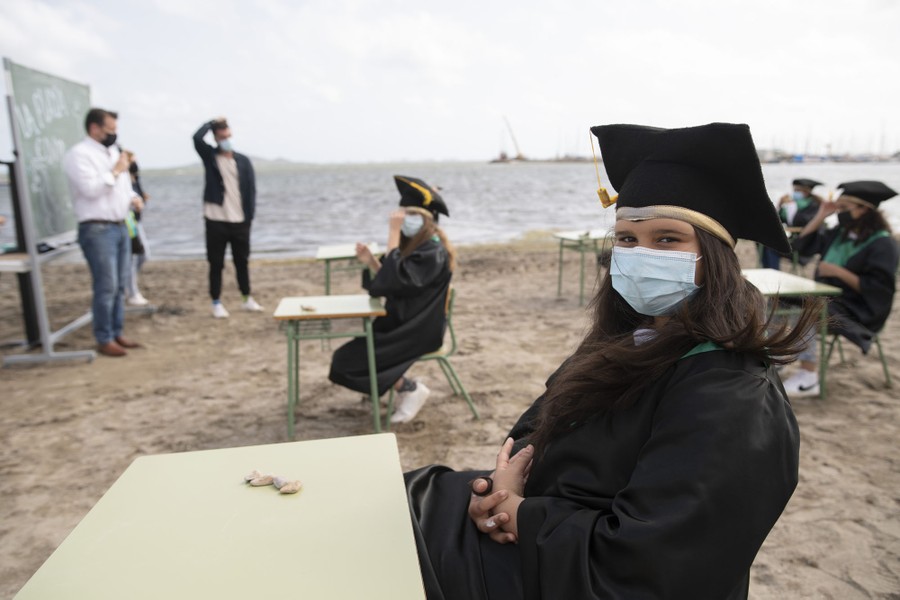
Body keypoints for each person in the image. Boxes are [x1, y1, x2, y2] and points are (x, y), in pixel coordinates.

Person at [404, 123, 823, 599]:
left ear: (714, 258)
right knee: (413, 497)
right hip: (536, 525)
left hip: (575, 574)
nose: (640, 253)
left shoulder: (732, 392)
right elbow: (540, 423)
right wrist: (497, 492)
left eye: (668, 239)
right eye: (625, 238)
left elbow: (653, 559)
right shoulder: (631, 337)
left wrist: (519, 516)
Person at [329, 175, 455, 424]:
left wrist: (393, 232)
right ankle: (402, 386)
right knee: (346, 359)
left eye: (410, 214)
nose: (404, 219)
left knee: (346, 362)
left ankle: (409, 389)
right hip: (403, 322)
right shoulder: (420, 247)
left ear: (425, 219)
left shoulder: (433, 250)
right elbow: (397, 282)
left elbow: (397, 280)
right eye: (403, 214)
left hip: (417, 329)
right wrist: (372, 263)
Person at [781, 180, 898, 396]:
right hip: (831, 299)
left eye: (844, 209)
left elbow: (879, 290)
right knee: (779, 300)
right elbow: (800, 246)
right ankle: (776, 359)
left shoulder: (883, 244)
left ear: (865, 210)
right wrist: (821, 215)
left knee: (808, 310)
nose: (839, 213)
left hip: (860, 309)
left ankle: (808, 377)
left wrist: (838, 272)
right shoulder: (839, 233)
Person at [63, 108, 143, 357]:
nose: (114, 135)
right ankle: (104, 337)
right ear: (95, 128)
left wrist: (134, 197)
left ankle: (117, 331)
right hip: (97, 229)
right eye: (110, 130)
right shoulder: (79, 155)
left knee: (120, 284)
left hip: (120, 226)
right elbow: (91, 190)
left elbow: (122, 188)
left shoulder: (112, 152)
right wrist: (117, 169)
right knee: (106, 285)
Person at [192, 117, 261, 318]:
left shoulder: (243, 160)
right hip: (216, 220)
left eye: (227, 135)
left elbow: (251, 190)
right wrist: (210, 123)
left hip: (240, 221)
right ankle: (216, 302)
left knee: (242, 261)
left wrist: (249, 217)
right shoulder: (210, 157)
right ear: (215, 138)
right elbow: (196, 138)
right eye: (221, 136)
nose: (225, 139)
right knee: (216, 263)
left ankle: (246, 297)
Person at [760, 178, 824, 269]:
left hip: (804, 244)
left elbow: (802, 221)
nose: (795, 193)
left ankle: (773, 272)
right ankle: (766, 270)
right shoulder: (792, 205)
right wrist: (780, 204)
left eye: (798, 190)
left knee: (772, 247)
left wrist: (792, 208)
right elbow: (777, 221)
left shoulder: (814, 205)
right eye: (794, 190)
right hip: (793, 239)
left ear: (806, 191)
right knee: (763, 242)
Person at [126, 158, 150, 306]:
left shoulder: (135, 179)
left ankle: (128, 287)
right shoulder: (124, 177)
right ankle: (131, 291)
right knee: (135, 257)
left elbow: (137, 198)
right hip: (129, 221)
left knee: (142, 255)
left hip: (136, 222)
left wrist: (141, 199)